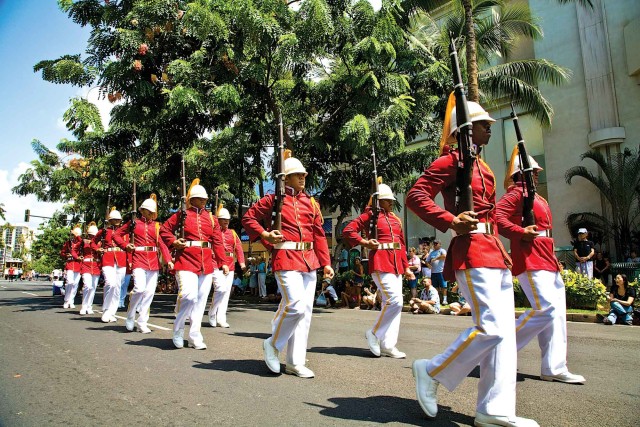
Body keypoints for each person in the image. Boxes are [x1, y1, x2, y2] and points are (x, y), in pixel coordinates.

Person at [406, 98, 538, 426]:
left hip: (494, 251)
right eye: (484, 125)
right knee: (490, 328)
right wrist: (450, 220)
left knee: (504, 336)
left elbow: (491, 214)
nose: (490, 129)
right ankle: (432, 370)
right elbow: (415, 196)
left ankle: (494, 409)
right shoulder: (451, 161)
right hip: (472, 251)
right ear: (465, 130)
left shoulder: (484, 167)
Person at [242, 151, 333, 378]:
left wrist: (326, 263)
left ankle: (295, 362)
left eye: (303, 174)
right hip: (285, 258)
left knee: (306, 312)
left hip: (309, 260)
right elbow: (248, 218)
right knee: (295, 306)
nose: (302, 178)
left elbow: (319, 234)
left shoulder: (311, 203)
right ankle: (273, 344)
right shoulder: (273, 200)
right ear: (286, 178)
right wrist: (265, 235)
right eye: (297, 175)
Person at [497, 152, 585, 385]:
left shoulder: (538, 198)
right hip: (530, 258)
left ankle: (554, 367)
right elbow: (497, 218)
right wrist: (520, 232)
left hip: (547, 258)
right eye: (533, 172)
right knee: (545, 308)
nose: (537, 174)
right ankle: (500, 348)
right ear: (521, 174)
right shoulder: (516, 194)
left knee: (556, 315)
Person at [343, 183, 412, 359]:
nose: (391, 203)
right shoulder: (369, 216)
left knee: (396, 303)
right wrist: (365, 243)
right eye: (387, 200)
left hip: (396, 262)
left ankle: (388, 344)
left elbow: (402, 244)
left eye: (391, 200)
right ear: (379, 201)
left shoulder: (396, 219)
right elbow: (348, 231)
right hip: (381, 260)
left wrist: (406, 267)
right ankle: (374, 332)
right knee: (394, 301)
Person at [160, 180, 228, 349]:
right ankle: (178, 329)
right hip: (185, 260)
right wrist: (174, 241)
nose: (203, 201)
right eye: (199, 198)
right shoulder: (181, 214)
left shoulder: (212, 219)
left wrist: (223, 262)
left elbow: (218, 242)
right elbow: (163, 230)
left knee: (200, 301)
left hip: (205, 263)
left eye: (205, 198)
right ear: (191, 200)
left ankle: (194, 336)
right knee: (189, 296)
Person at [115, 194, 173, 334]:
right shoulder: (133, 223)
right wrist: (125, 245)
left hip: (153, 261)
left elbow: (162, 245)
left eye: (152, 211)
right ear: (141, 211)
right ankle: (130, 314)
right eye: (148, 211)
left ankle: (142, 322)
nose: (151, 214)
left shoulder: (157, 226)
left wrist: (169, 260)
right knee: (139, 289)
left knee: (149, 293)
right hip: (138, 259)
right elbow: (115, 235)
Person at [208, 206, 245, 328]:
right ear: (217, 220)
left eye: (227, 219)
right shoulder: (212, 232)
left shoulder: (233, 233)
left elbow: (238, 248)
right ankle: (212, 313)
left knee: (226, 293)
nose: (226, 221)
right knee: (220, 289)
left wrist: (242, 263)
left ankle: (221, 318)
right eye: (223, 219)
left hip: (230, 265)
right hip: (215, 263)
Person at [96, 208, 126, 323]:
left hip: (121, 259)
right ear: (110, 220)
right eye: (114, 219)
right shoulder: (104, 231)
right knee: (110, 283)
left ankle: (112, 312)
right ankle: (106, 309)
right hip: (108, 258)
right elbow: (94, 242)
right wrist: (98, 249)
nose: (117, 221)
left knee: (118, 287)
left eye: (118, 219)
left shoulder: (125, 232)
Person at [79, 222, 101, 315]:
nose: (92, 237)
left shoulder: (100, 242)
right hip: (86, 265)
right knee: (87, 286)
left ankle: (89, 306)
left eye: (94, 235)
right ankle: (84, 306)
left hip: (96, 265)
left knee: (93, 288)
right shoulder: (83, 242)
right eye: (91, 235)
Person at [62, 226, 83, 309]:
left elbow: (81, 242)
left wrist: (77, 235)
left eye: (75, 235)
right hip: (70, 264)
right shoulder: (68, 243)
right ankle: (66, 300)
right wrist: (65, 255)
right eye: (73, 235)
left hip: (78, 265)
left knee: (75, 284)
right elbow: (62, 252)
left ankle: (71, 301)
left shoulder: (81, 243)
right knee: (69, 282)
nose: (73, 236)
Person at [427, 240, 448, 305]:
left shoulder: (442, 250)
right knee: (435, 287)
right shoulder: (431, 253)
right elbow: (427, 261)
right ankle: (437, 299)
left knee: (443, 286)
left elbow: (444, 256)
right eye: (434, 244)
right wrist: (428, 265)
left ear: (440, 244)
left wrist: (436, 258)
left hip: (441, 271)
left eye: (436, 244)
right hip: (433, 272)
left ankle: (445, 300)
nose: (435, 245)